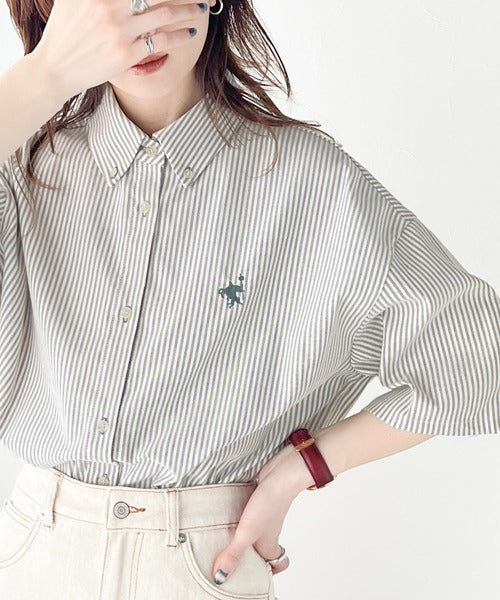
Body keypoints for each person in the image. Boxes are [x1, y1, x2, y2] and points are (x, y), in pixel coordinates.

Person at [0, 0, 498, 597]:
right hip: (37, 550)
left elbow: (476, 361)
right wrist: (47, 73)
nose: (143, 25)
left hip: (198, 563)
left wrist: (304, 468)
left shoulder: (312, 183)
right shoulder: (24, 163)